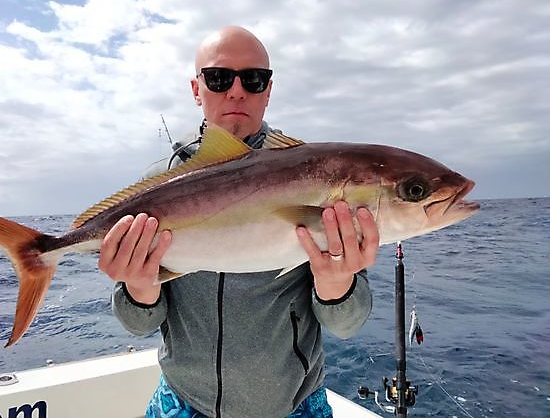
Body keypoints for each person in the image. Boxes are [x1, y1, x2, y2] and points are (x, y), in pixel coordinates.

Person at [98, 26, 380, 418]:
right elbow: (136, 324)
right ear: (197, 89)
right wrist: (139, 289)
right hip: (183, 403)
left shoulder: (316, 175)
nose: (236, 91)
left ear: (268, 90)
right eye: (218, 78)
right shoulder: (158, 184)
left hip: (294, 408)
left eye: (252, 79)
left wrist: (337, 286)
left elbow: (348, 325)